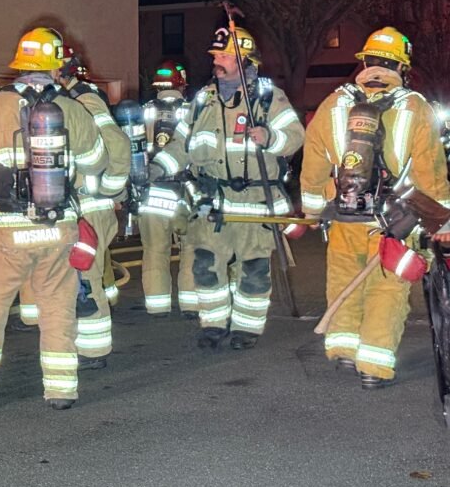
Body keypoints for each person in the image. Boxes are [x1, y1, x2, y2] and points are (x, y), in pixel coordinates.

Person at [0, 27, 108, 410]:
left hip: (8, 230)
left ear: (20, 65)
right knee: (58, 309)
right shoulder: (72, 109)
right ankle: (60, 391)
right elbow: (97, 162)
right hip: (57, 228)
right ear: (57, 66)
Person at [301, 26, 450, 388]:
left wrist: (312, 210)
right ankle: (375, 366)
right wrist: (442, 220)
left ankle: (343, 352)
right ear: (402, 67)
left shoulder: (334, 104)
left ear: (364, 62)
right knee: (387, 290)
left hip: (344, 215)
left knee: (342, 282)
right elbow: (431, 171)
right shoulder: (414, 107)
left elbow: (314, 162)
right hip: (394, 222)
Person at [151, 26, 304, 350]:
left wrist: (270, 137)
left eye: (224, 56)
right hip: (213, 202)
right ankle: (214, 325)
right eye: (216, 56)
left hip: (255, 201)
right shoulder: (203, 100)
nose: (217, 61)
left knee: (253, 270)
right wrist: (158, 167)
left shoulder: (267, 97)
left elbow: (295, 136)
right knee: (206, 265)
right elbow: (182, 143)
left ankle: (246, 329)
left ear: (244, 60)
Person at [17, 47, 129, 369]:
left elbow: (117, 146)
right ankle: (59, 341)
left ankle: (93, 352)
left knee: (85, 276)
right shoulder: (37, 102)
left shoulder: (85, 101)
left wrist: (111, 191)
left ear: (59, 73)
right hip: (53, 205)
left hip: (85, 208)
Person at [139, 60, 197, 317]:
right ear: (182, 84)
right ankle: (191, 304)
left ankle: (157, 306)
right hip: (187, 188)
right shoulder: (193, 111)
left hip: (154, 189)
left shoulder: (144, 111)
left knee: (155, 248)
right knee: (192, 246)